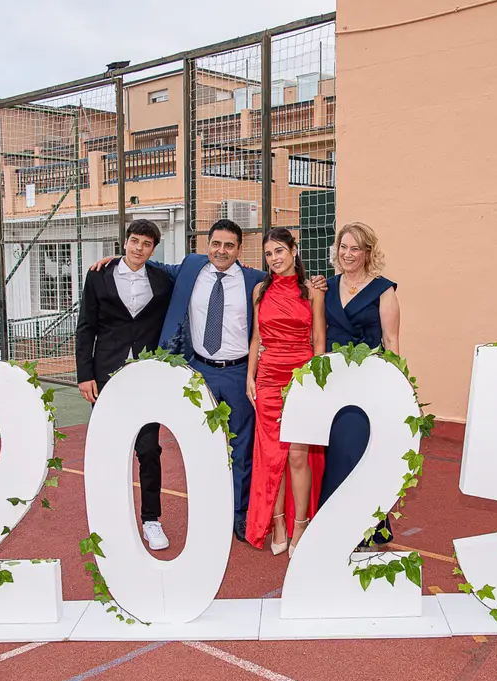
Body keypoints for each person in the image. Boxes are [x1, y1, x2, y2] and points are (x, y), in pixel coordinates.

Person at [90, 219, 327, 543]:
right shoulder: (191, 267)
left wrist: (318, 283)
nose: (221, 250)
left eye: (229, 245)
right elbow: (153, 265)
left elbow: (290, 296)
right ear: (207, 245)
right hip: (199, 371)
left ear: (240, 250)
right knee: (201, 447)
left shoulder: (255, 281)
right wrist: (118, 260)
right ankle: (208, 515)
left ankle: (239, 516)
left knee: (242, 450)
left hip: (239, 372)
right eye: (216, 243)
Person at [75, 219, 173, 550]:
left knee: (148, 450)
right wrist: (84, 374)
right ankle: (110, 519)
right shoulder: (98, 275)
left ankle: (151, 520)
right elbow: (86, 327)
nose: (138, 248)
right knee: (109, 449)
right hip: (106, 376)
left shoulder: (163, 280)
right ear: (125, 242)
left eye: (146, 244)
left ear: (153, 249)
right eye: (134, 241)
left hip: (146, 377)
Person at [318, 222, 400, 547]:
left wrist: (396, 390)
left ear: (367, 252)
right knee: (334, 453)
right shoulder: (326, 287)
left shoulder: (384, 290)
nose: (348, 254)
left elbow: (391, 342)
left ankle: (364, 528)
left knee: (359, 453)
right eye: (343, 247)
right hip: (334, 385)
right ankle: (335, 526)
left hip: (367, 385)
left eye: (355, 248)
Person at [244, 228, 326, 556]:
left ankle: (301, 525)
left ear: (294, 250)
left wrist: (317, 384)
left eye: (279, 250)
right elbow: (256, 338)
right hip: (267, 378)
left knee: (297, 455)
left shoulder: (313, 291)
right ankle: (278, 523)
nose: (274, 258)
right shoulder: (260, 290)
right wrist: (250, 377)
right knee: (270, 455)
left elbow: (319, 341)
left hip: (302, 377)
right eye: (268, 253)